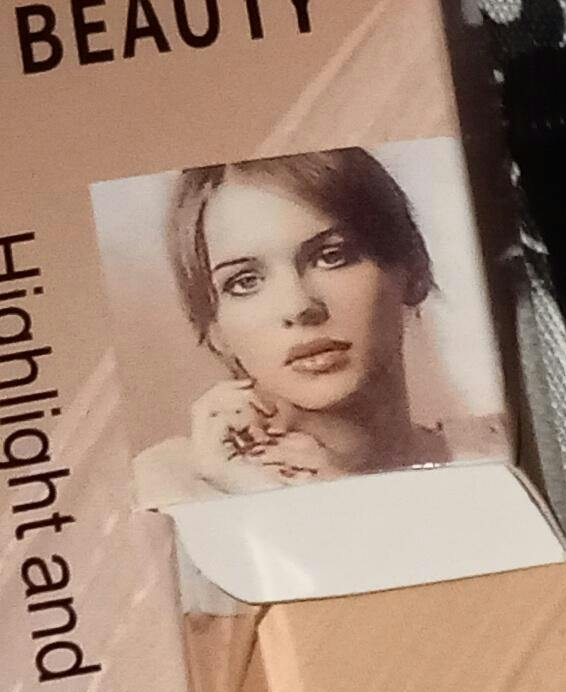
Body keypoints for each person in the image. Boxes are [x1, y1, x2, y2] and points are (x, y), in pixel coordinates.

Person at [129, 147, 507, 501]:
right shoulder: (170, 487)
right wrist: (251, 497)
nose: (298, 307)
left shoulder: (501, 450)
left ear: (413, 270)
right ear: (214, 331)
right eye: (244, 282)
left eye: (332, 256)